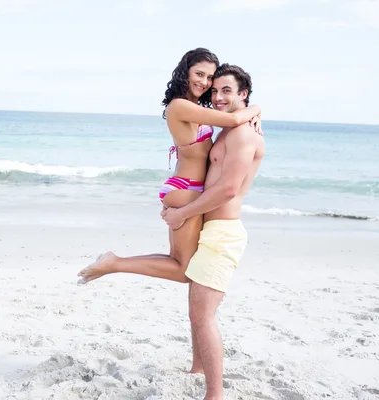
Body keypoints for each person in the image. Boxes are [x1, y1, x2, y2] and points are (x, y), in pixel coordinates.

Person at [76, 48, 262, 374]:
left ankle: (196, 367)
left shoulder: (197, 108)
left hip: (186, 191)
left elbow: (231, 122)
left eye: (211, 78)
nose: (206, 83)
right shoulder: (180, 105)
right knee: (183, 270)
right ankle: (114, 262)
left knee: (185, 271)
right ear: (185, 72)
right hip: (184, 191)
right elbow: (234, 118)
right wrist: (255, 108)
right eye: (201, 74)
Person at [161, 63, 265, 400]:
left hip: (223, 233)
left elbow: (227, 190)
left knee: (202, 315)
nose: (217, 97)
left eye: (226, 91)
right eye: (215, 90)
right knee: (196, 308)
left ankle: (215, 394)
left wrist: (182, 213)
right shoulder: (227, 130)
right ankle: (198, 368)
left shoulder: (245, 134)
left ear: (243, 95)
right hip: (210, 227)